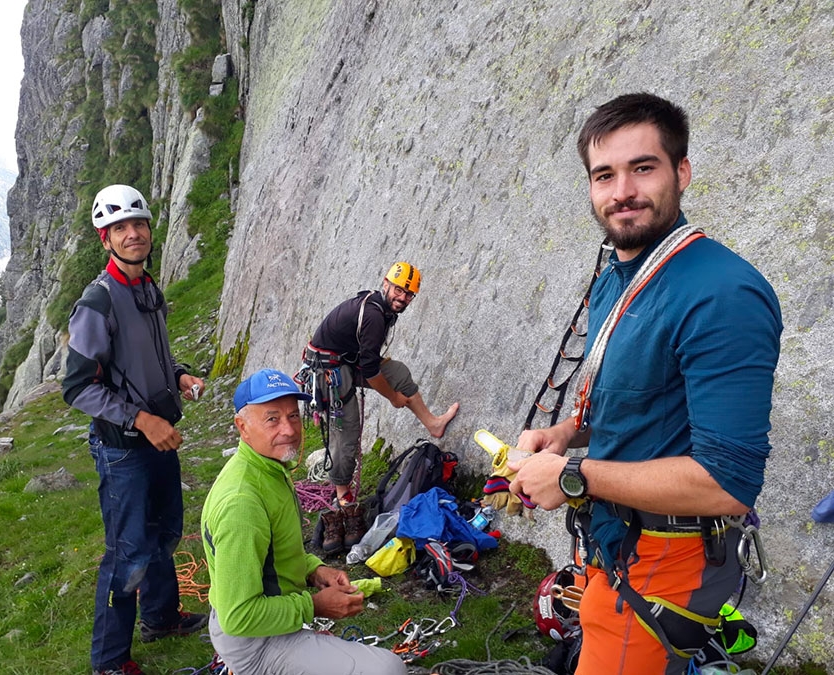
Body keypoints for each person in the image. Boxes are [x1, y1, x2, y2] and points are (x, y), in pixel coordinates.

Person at [508, 94, 782, 674]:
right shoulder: (619, 272)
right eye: (604, 175)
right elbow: (635, 397)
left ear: (681, 172)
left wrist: (573, 478)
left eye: (643, 167)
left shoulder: (721, 295)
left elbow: (727, 485)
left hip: (667, 560)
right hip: (620, 540)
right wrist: (564, 435)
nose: (622, 191)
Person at [62, 184, 207, 675]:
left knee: (164, 534)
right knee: (128, 554)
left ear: (149, 230)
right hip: (124, 447)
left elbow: (149, 356)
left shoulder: (147, 288)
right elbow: (78, 387)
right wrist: (141, 419)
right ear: (105, 240)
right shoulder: (97, 302)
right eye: (119, 228)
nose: (131, 234)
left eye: (137, 224)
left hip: (158, 436)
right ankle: (109, 660)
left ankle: (161, 618)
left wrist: (180, 373)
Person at [201, 368, 407, 675]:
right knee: (388, 670)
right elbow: (238, 616)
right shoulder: (242, 503)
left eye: (293, 416)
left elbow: (276, 552)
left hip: (270, 619)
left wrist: (314, 570)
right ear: (242, 427)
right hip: (253, 641)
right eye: (272, 418)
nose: (288, 429)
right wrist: (316, 606)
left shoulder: (267, 468)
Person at [303, 262, 460, 551]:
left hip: (346, 360)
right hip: (330, 370)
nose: (402, 298)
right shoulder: (375, 315)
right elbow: (371, 371)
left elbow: (372, 363)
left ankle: (433, 423)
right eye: (399, 290)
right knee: (347, 433)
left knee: (398, 373)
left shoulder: (383, 308)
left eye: (409, 294)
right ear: (386, 284)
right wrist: (393, 398)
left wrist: (397, 390)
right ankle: (342, 492)